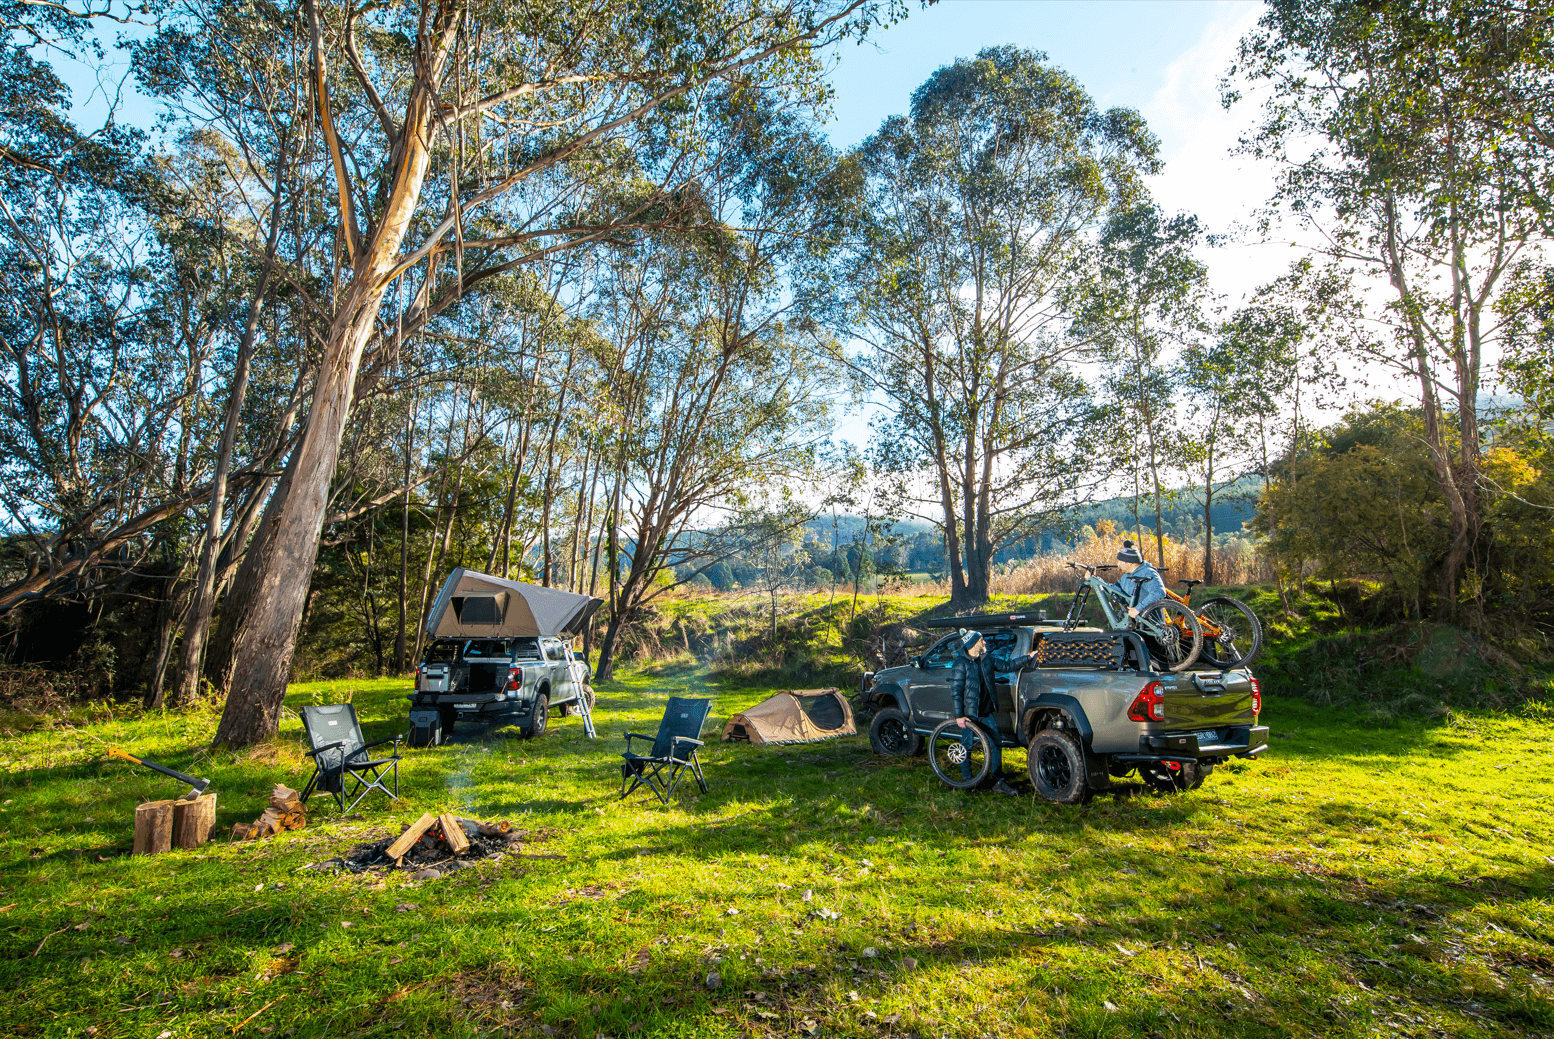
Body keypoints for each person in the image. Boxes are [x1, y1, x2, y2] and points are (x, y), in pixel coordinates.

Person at [950, 629, 1035, 795]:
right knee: (966, 747)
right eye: (982, 640)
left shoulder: (987, 658)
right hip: (969, 715)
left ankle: (998, 781)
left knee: (996, 745)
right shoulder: (960, 664)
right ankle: (968, 781)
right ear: (974, 643)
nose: (985, 643)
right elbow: (956, 691)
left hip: (987, 712)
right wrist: (959, 715)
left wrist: (1028, 657)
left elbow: (1007, 666)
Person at [1104, 539, 1167, 620]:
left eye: (1120, 561)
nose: (1117, 564)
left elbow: (1159, 592)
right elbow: (1114, 590)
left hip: (1150, 625)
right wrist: (1095, 578)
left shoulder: (1148, 573)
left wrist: (1138, 608)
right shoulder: (1126, 576)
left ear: (1129, 563)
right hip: (1133, 623)